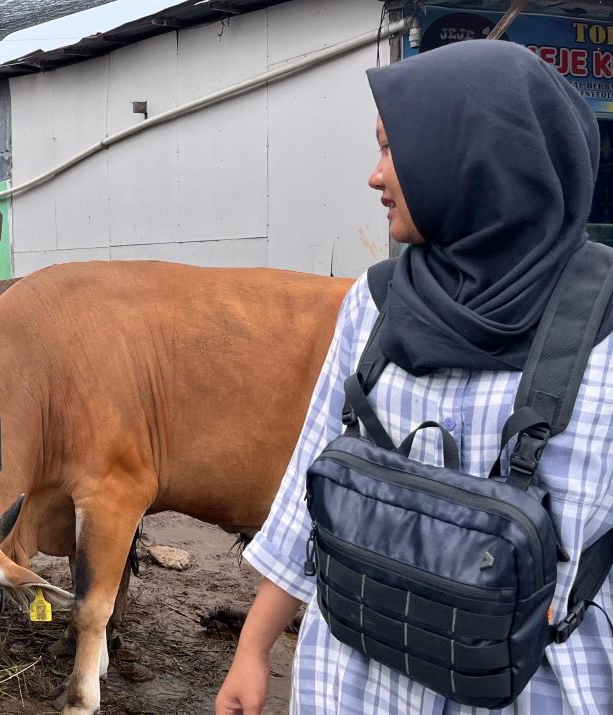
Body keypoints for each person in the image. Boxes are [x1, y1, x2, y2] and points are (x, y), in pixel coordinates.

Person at [216, 39, 613, 714]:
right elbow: (310, 493)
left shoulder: (603, 328)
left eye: (393, 148)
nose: (374, 176)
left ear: (476, 157)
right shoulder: (374, 303)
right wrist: (252, 649)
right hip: (359, 679)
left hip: (528, 687)